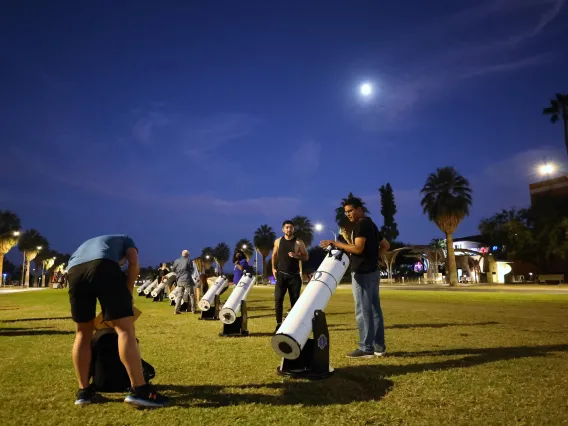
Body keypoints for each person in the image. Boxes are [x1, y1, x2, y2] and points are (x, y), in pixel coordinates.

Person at [67, 234, 169, 407]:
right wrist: (128, 292)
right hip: (103, 266)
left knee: (82, 333)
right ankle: (139, 389)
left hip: (74, 271)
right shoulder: (127, 239)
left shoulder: (91, 243)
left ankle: (83, 391)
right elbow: (134, 262)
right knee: (124, 329)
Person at [320, 196, 390, 358]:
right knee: (374, 310)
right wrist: (377, 258)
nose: (348, 214)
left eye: (350, 211)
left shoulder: (361, 225)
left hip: (362, 273)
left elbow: (358, 249)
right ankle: (379, 347)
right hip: (373, 271)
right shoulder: (371, 224)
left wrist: (336, 243)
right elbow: (385, 245)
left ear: (360, 209)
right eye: (346, 212)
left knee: (363, 311)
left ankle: (366, 348)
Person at [272, 220, 309, 333]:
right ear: (283, 229)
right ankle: (279, 324)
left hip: (294, 277)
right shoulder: (278, 241)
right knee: (278, 300)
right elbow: (274, 255)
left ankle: (294, 325)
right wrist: (273, 268)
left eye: (291, 227)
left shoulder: (298, 242)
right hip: (281, 275)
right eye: (287, 227)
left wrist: (296, 255)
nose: (289, 229)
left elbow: (306, 257)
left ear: (293, 229)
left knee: (295, 302)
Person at [172, 250, 196, 314]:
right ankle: (193, 310)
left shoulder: (176, 261)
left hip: (179, 280)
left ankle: (176, 310)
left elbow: (173, 269)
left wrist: (178, 274)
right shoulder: (189, 261)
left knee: (179, 296)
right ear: (187, 254)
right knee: (191, 295)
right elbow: (192, 269)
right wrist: (188, 273)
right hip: (187, 280)